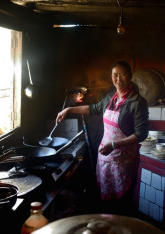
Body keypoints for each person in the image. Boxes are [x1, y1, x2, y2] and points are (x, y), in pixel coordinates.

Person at [56, 61, 149, 213]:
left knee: (122, 202)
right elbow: (94, 108)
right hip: (105, 157)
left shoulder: (138, 102)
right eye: (115, 75)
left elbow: (141, 134)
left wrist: (114, 144)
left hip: (123, 158)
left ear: (130, 76)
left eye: (123, 74)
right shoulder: (111, 98)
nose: (118, 79)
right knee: (106, 201)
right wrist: (69, 109)